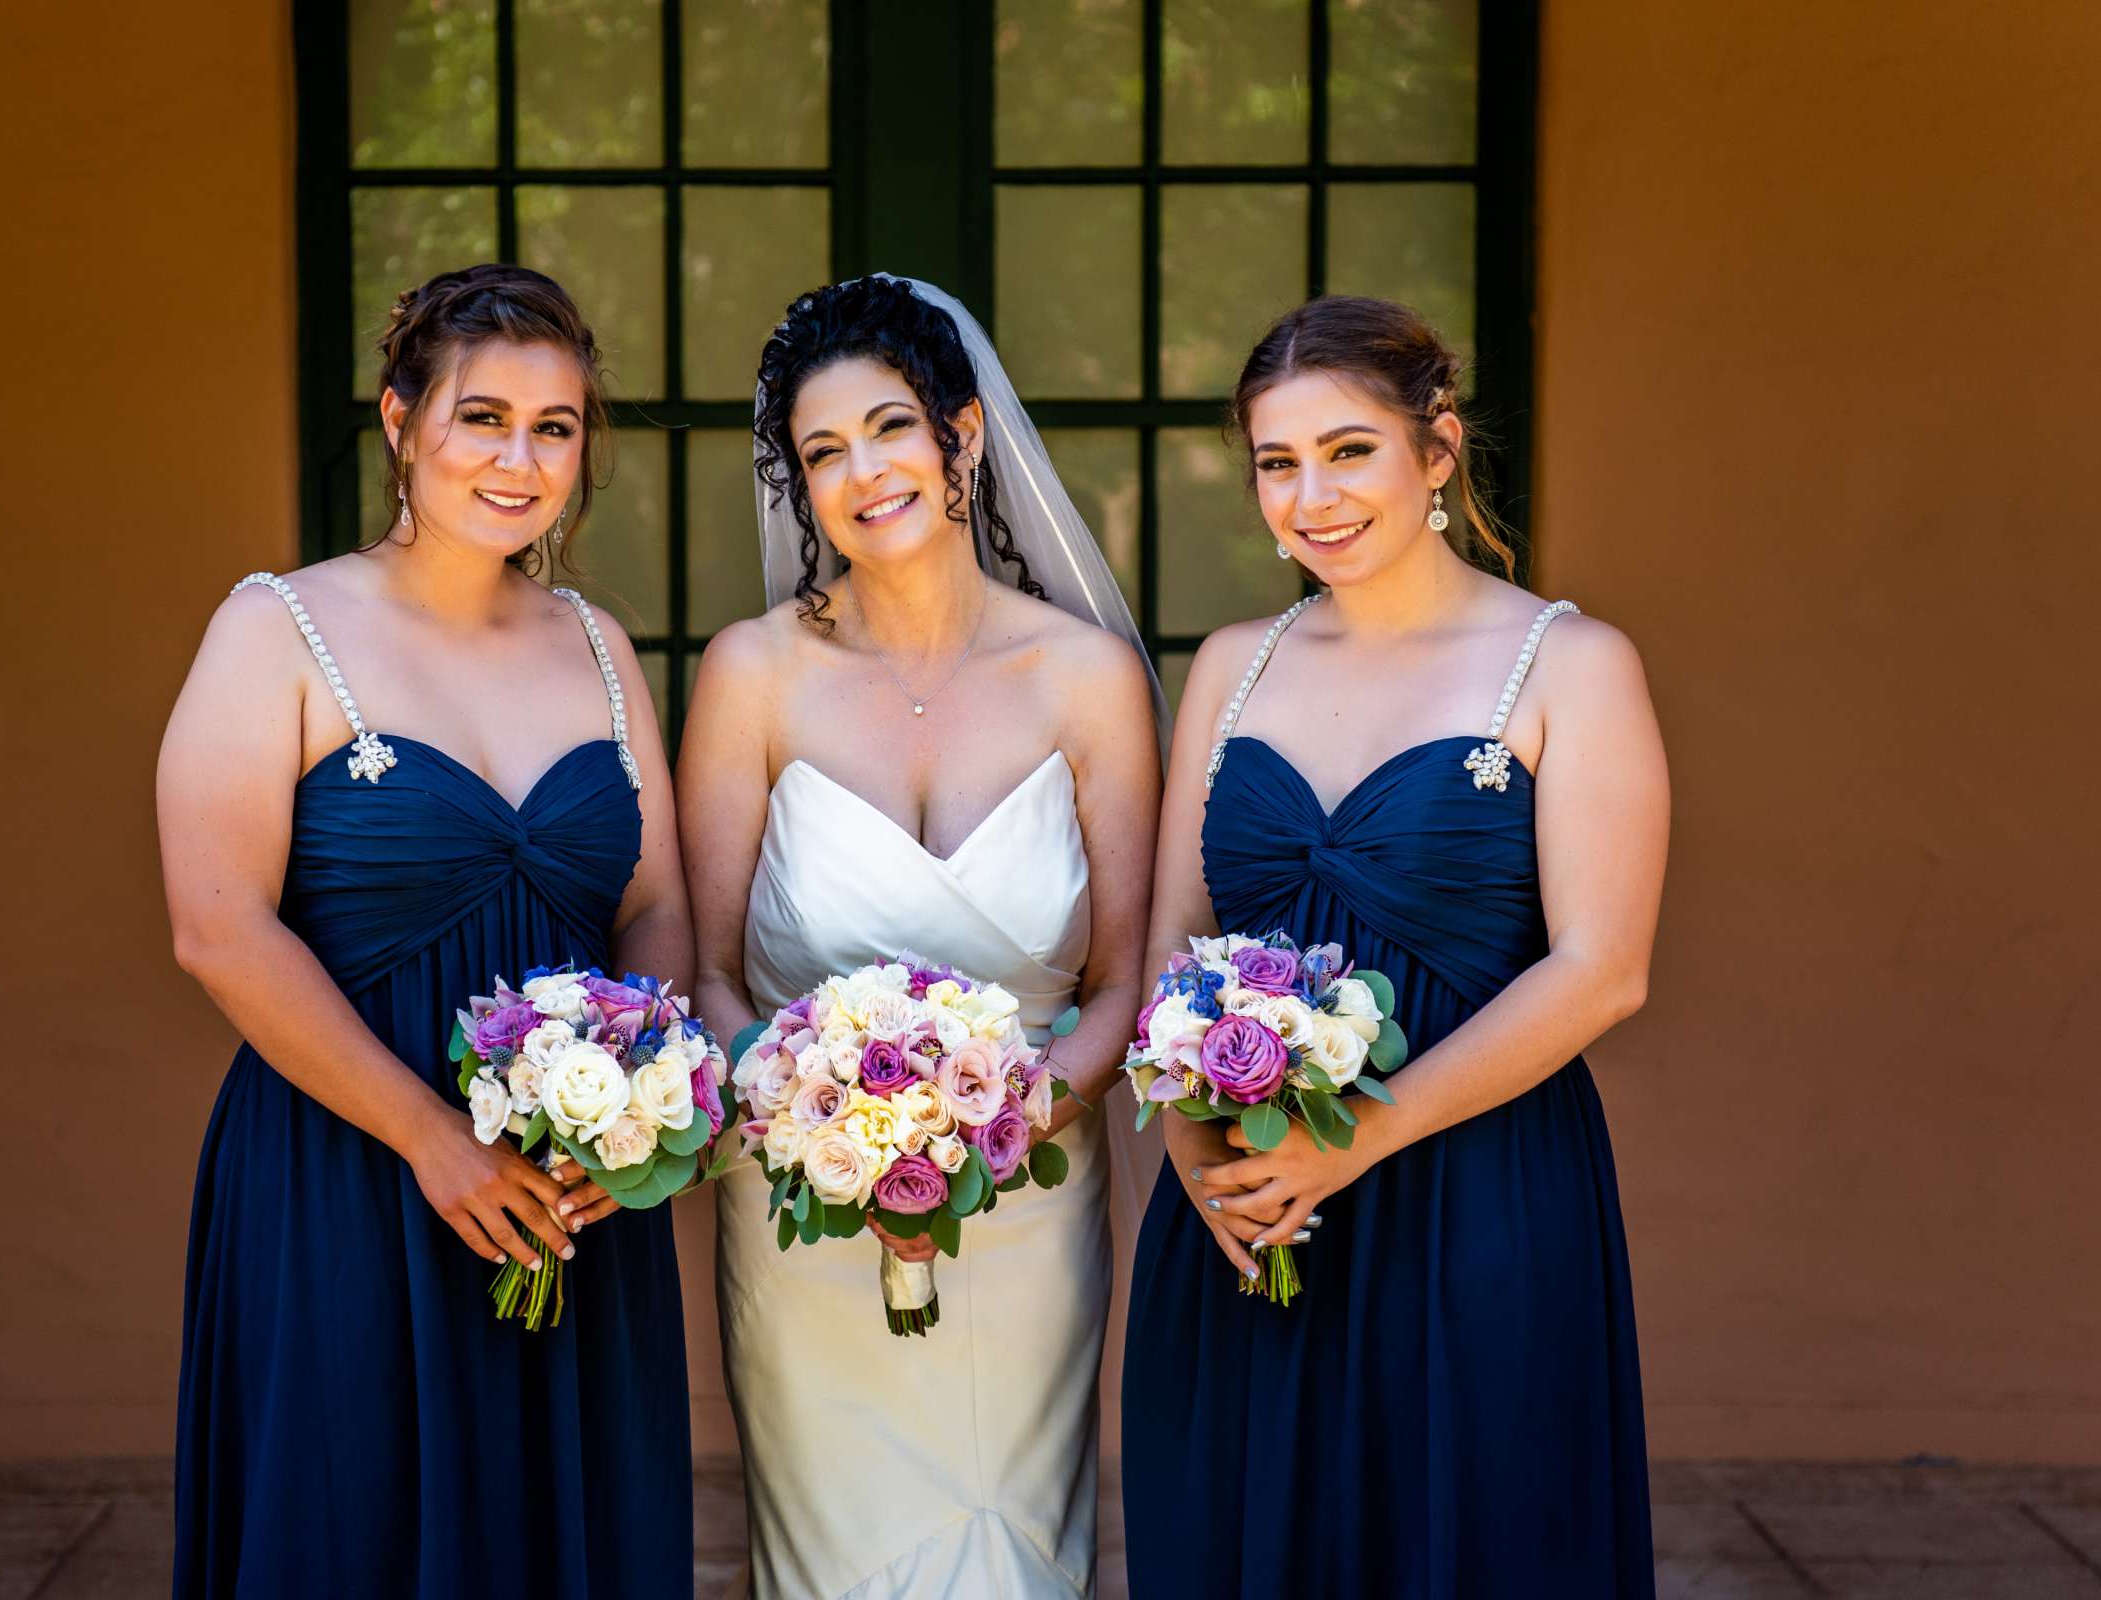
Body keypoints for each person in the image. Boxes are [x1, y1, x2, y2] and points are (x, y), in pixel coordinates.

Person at [158, 264, 695, 1597]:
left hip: (570, 1190)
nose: (521, 459)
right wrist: (431, 1141)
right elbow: (218, 927)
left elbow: (660, 902)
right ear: (402, 422)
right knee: (360, 1528)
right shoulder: (278, 628)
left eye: (556, 428)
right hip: (350, 1172)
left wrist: (632, 1103)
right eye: (483, 418)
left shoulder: (597, 644)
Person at [1122, 296, 1667, 1597]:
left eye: (1348, 450)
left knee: (1468, 1535)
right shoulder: (1232, 666)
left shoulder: (1569, 663)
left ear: (1437, 450)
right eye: (1275, 461)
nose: (1310, 495)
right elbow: (1173, 948)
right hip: (1248, 1200)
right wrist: (1206, 1164)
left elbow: (1604, 967)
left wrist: (1361, 1134)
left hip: (1474, 1193)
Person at [677, 275, 1160, 1597]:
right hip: (802, 1210)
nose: (863, 472)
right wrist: (823, 1133)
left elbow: (1124, 985)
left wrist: (986, 1132)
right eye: (824, 452)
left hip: (1030, 1205)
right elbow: (710, 972)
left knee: (1010, 1548)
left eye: (890, 429)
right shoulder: (753, 675)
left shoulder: (1087, 681)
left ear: (962, 437)